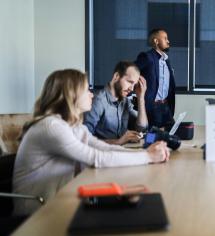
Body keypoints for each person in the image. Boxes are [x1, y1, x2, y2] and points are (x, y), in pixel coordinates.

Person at [12, 69, 170, 216]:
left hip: (56, 202)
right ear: (71, 94)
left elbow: (105, 148)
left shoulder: (72, 126)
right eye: (87, 90)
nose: (92, 95)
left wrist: (146, 154)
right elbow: (97, 158)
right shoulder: (51, 127)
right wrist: (148, 157)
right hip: (36, 214)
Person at [84, 61, 148, 145]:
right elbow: (84, 139)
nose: (132, 89)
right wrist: (118, 141)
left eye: (134, 85)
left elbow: (141, 128)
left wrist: (141, 98)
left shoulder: (125, 101)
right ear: (116, 76)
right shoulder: (98, 100)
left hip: (119, 151)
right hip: (102, 154)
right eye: (130, 82)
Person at [135, 28, 176, 128]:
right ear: (156, 41)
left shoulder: (166, 60)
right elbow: (131, 71)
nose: (168, 41)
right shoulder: (147, 57)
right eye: (165, 38)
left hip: (166, 106)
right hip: (152, 107)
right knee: (151, 137)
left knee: (171, 134)